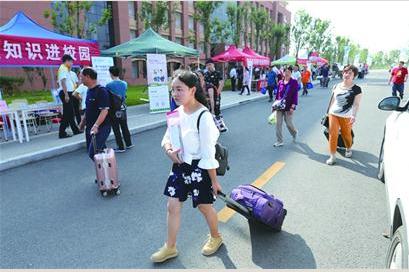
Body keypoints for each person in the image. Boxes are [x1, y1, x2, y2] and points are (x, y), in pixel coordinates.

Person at [151, 70, 223, 263]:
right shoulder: (176, 113)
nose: (174, 94)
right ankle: (170, 247)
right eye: (173, 89)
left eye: (179, 89)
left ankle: (216, 237)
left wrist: (214, 181)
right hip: (179, 167)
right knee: (172, 206)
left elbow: (208, 153)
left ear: (192, 90)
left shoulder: (204, 116)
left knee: (204, 206)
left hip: (200, 168)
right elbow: (167, 139)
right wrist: (168, 151)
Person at [326, 64, 362, 165]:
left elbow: (356, 104)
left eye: (350, 73)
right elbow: (333, 100)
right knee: (333, 135)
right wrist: (328, 113)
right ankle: (332, 156)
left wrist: (354, 116)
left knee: (346, 134)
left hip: (347, 116)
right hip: (334, 114)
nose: (347, 74)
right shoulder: (336, 86)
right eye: (345, 72)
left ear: (354, 75)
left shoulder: (356, 89)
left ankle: (348, 148)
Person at [80, 67, 111, 160]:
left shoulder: (101, 91)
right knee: (101, 152)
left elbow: (104, 110)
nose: (80, 79)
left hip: (102, 127)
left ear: (88, 77)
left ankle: (108, 171)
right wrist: (82, 122)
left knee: (93, 153)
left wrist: (96, 125)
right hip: (91, 128)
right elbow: (88, 109)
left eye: (81, 77)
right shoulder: (89, 91)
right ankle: (107, 172)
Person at [106, 66, 134, 153]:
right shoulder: (124, 83)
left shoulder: (108, 85)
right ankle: (129, 143)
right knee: (124, 126)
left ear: (111, 73)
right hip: (122, 108)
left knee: (116, 128)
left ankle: (121, 147)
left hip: (114, 110)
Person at [273, 66, 299, 147]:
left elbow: (295, 95)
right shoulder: (280, 82)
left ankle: (294, 133)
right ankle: (279, 141)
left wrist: (293, 106)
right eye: (285, 72)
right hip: (280, 107)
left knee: (288, 123)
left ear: (291, 73)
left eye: (289, 72)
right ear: (283, 73)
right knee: (278, 123)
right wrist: (274, 105)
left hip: (289, 107)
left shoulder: (294, 82)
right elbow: (278, 95)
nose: (287, 73)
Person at [58, 54, 81, 138]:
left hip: (70, 93)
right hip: (66, 93)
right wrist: (66, 95)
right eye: (71, 61)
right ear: (67, 61)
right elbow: (63, 82)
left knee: (70, 113)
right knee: (67, 114)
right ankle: (62, 132)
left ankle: (75, 130)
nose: (72, 63)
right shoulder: (63, 68)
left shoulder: (66, 69)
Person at [204, 59, 227, 132]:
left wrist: (217, 93)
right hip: (208, 95)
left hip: (216, 94)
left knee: (217, 109)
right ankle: (212, 126)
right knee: (210, 110)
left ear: (213, 65)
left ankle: (220, 125)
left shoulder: (217, 73)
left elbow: (221, 83)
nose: (208, 67)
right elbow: (204, 84)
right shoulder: (206, 74)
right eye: (207, 65)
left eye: (209, 65)